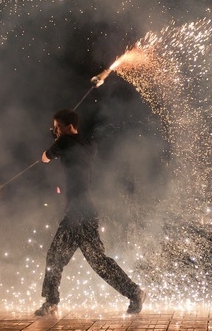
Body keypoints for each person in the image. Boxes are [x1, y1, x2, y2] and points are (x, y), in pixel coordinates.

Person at [34, 109, 146, 316]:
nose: (55, 131)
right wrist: (60, 138)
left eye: (57, 127)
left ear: (69, 127)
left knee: (55, 257)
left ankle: (51, 302)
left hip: (77, 211)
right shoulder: (89, 144)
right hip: (86, 209)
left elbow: (45, 158)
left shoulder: (64, 142)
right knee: (97, 261)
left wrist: (56, 140)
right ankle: (134, 292)